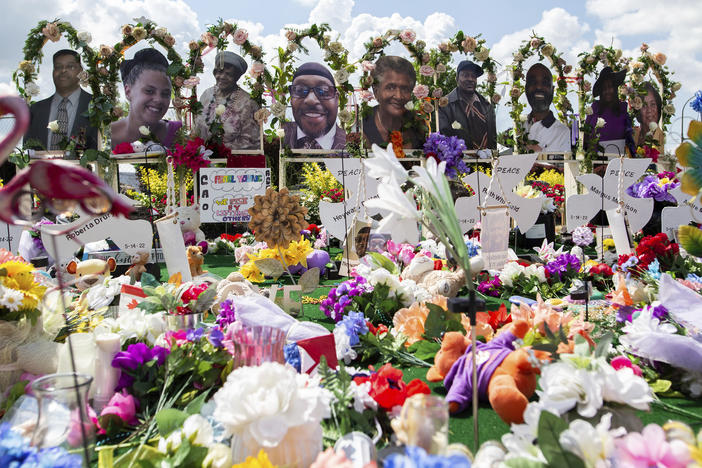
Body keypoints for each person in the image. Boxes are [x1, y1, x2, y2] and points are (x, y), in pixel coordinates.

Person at [24, 50, 98, 150]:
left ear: (81, 71)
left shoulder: (96, 105)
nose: (63, 70)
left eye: (70, 66)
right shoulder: (35, 110)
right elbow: (28, 150)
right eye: (58, 67)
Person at [110, 48, 182, 149]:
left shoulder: (178, 134)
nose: (158, 99)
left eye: (165, 93)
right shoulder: (108, 136)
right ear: (128, 91)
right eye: (149, 91)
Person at [192, 51, 261, 150]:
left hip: (233, 160)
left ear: (236, 77)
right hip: (202, 157)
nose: (222, 77)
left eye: (229, 74)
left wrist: (219, 151)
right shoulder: (206, 95)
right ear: (215, 72)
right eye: (219, 72)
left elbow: (251, 141)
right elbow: (197, 128)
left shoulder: (248, 102)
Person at [363, 55, 426, 148]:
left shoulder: (418, 125)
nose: (399, 96)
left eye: (405, 89)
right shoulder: (362, 125)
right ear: (376, 92)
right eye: (391, 87)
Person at [283, 62, 346, 150]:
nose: (311, 100)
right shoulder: (279, 140)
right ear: (291, 98)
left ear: (337, 99)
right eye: (300, 90)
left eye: (324, 91)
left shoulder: (353, 144)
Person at [438, 60, 496, 150]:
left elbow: (492, 140)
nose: (470, 79)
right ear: (457, 78)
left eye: (473, 76)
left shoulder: (487, 106)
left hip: (486, 161)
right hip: (458, 161)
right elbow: (444, 138)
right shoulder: (445, 105)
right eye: (465, 75)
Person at [585, 66, 635, 156]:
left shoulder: (623, 108)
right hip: (596, 160)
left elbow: (629, 137)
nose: (607, 91)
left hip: (619, 161)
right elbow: (585, 134)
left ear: (615, 88)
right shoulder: (595, 107)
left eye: (610, 87)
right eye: (604, 88)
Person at [523, 63, 571, 153]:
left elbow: (563, 165)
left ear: (552, 90)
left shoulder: (563, 132)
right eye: (533, 82)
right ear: (526, 89)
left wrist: (538, 152)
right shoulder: (518, 127)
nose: (539, 87)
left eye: (545, 83)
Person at [633, 82, 665, 150]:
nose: (649, 110)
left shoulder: (660, 136)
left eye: (653, 104)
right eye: (644, 106)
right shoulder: (633, 134)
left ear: (658, 108)